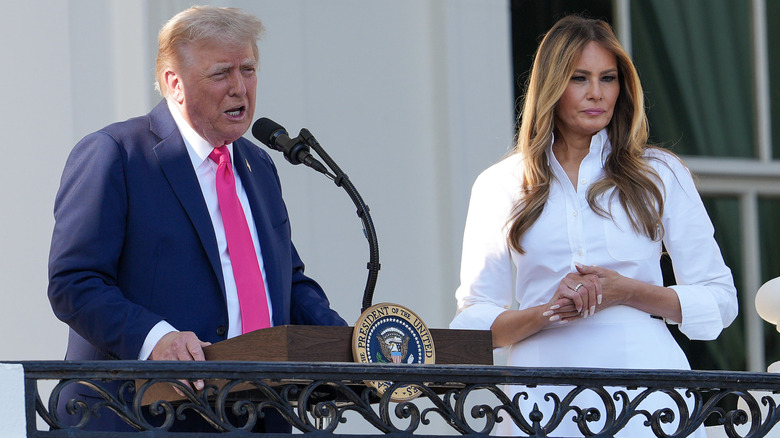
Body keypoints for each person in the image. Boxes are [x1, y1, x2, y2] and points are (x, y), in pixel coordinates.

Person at [47, 5, 346, 433]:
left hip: (257, 414)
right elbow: (74, 283)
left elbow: (285, 281)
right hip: (142, 414)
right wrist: (156, 339)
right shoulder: (117, 154)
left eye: (248, 69)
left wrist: (350, 344)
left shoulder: (258, 165)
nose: (240, 88)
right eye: (221, 73)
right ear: (174, 83)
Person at [450, 15, 738, 437]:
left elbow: (719, 298)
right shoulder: (500, 184)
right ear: (551, 85)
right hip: (539, 398)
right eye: (579, 78)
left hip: (649, 398)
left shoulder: (660, 174)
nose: (597, 94)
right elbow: (474, 323)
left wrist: (628, 291)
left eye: (608, 78)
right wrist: (549, 311)